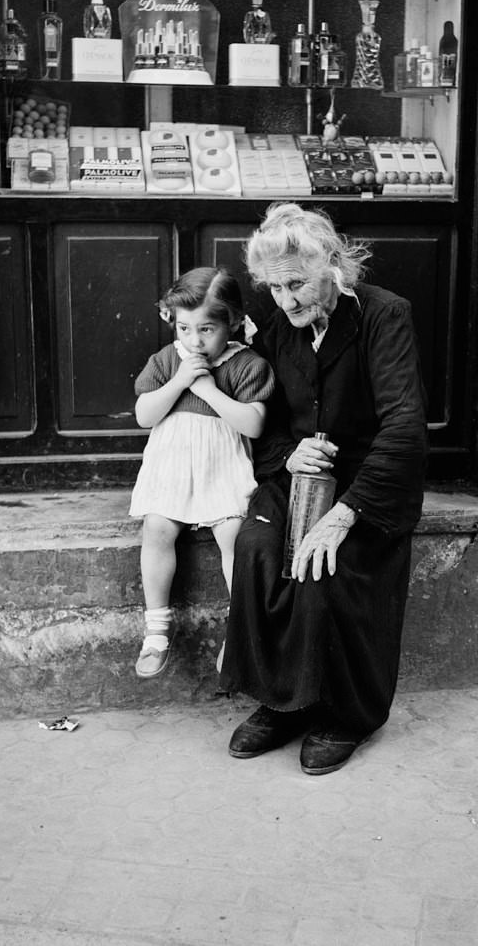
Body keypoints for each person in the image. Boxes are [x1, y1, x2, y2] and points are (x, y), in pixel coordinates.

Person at [219, 203, 428, 775]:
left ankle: (347, 713)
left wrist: (345, 513)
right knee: (258, 547)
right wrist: (289, 455)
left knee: (330, 562)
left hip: (367, 479)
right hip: (299, 472)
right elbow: (264, 415)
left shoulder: (384, 316)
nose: (286, 300)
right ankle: (281, 700)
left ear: (334, 266)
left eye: (297, 284)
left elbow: (404, 424)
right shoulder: (273, 317)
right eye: (276, 286)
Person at [129, 267, 275, 678]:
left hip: (221, 468)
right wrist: (178, 382)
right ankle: (157, 628)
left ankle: (239, 630)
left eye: (207, 329)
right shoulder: (167, 360)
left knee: (235, 537)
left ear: (233, 322)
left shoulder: (247, 365)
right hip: (172, 468)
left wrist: (209, 390)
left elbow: (253, 425)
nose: (195, 341)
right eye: (185, 328)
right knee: (157, 529)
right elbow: (144, 415)